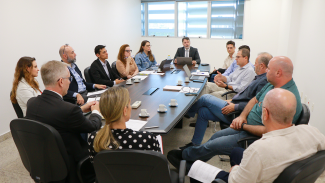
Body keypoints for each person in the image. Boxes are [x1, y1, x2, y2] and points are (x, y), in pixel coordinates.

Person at [167, 56, 302, 172]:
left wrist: (243, 126)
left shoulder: (287, 99)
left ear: (278, 72)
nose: (266, 71)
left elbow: (269, 132)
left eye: (269, 69)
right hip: (244, 123)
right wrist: (242, 117)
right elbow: (254, 100)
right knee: (215, 136)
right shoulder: (272, 84)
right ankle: (191, 164)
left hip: (253, 136)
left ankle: (185, 156)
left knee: (213, 145)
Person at [189, 89, 325, 183]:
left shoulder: (258, 149)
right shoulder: (313, 132)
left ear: (265, 113)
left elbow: (236, 181)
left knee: (197, 170)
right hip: (279, 172)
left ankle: (189, 161)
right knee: (236, 152)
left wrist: (235, 169)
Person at [25, 61, 102, 183]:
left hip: (47, 162)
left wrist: (80, 109)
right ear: (61, 81)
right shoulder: (68, 110)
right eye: (69, 78)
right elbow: (92, 126)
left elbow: (56, 117)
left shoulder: (32, 103)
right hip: (73, 164)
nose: (70, 82)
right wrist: (96, 112)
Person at [182, 52, 272, 148]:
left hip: (236, 112)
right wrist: (231, 100)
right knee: (203, 112)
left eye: (256, 63)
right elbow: (246, 95)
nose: (254, 65)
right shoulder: (258, 77)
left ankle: (187, 113)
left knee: (205, 98)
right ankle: (195, 144)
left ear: (262, 66)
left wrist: (235, 106)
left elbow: (255, 104)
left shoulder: (263, 81)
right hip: (233, 103)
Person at [88, 87, 161, 163]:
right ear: (125, 110)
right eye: (129, 104)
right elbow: (159, 167)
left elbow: (96, 167)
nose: (131, 107)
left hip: (109, 175)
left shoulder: (94, 138)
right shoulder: (147, 138)